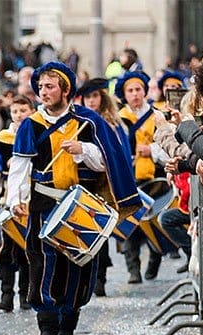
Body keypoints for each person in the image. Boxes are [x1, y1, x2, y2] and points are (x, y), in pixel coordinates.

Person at [6, 62, 140, 335]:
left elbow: (108, 162)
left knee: (78, 263)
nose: (43, 92)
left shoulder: (88, 121)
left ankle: (68, 329)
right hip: (44, 202)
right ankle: (47, 329)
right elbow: (19, 164)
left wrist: (84, 151)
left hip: (80, 202)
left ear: (65, 90)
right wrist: (14, 201)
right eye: (40, 87)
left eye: (50, 86)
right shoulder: (31, 124)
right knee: (43, 262)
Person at [76, 77, 129, 296]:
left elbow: (119, 155)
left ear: (102, 97)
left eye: (95, 96)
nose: (91, 100)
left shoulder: (112, 123)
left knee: (101, 231)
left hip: (105, 183)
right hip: (84, 182)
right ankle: (86, 278)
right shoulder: (79, 121)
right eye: (87, 96)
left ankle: (100, 278)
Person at [0, 94, 35, 311]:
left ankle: (25, 295)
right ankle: (6, 295)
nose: (19, 115)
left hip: (32, 200)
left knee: (28, 250)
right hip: (8, 200)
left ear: (31, 111)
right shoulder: (2, 138)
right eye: (15, 111)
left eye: (23, 110)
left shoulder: (37, 135)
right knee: (6, 249)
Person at [115, 71, 168, 283]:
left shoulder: (157, 116)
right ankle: (133, 269)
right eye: (130, 90)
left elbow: (168, 143)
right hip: (129, 177)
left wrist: (152, 150)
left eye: (138, 89)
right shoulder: (118, 119)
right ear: (124, 94)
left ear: (145, 91)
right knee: (130, 224)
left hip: (155, 177)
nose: (135, 94)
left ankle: (155, 258)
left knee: (154, 221)